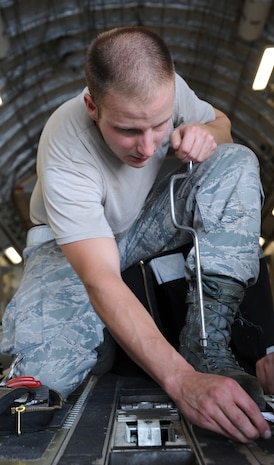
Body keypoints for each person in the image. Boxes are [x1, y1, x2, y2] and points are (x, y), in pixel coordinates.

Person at [1, 26, 273, 443]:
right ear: (93, 106)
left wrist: (208, 136)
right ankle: (99, 346)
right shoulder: (64, 148)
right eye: (128, 130)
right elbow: (101, 277)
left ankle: (207, 345)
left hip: (144, 221)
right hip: (70, 248)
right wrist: (181, 382)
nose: (147, 148)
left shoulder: (168, 90)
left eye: (159, 126)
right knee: (48, 377)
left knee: (235, 161)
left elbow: (224, 127)